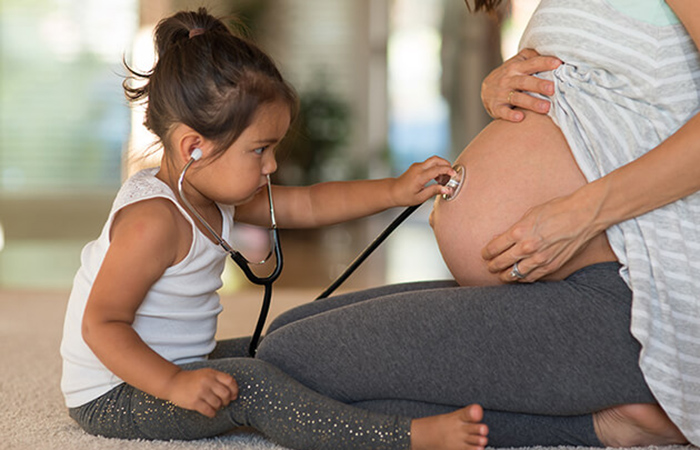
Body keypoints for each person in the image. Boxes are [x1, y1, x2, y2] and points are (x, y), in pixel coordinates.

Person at [255, 0, 700, 447]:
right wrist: (502, 86)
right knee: (288, 333)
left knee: (291, 362)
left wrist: (582, 213)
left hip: (637, 297)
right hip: (563, 288)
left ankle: (605, 426)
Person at [59, 8, 491, 450]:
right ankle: (403, 437)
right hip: (116, 393)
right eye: (259, 149)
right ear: (194, 147)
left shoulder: (210, 192)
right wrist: (174, 384)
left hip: (177, 364)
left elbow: (308, 203)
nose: (273, 165)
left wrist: (396, 190)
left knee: (287, 350)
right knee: (254, 386)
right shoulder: (153, 221)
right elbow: (101, 324)